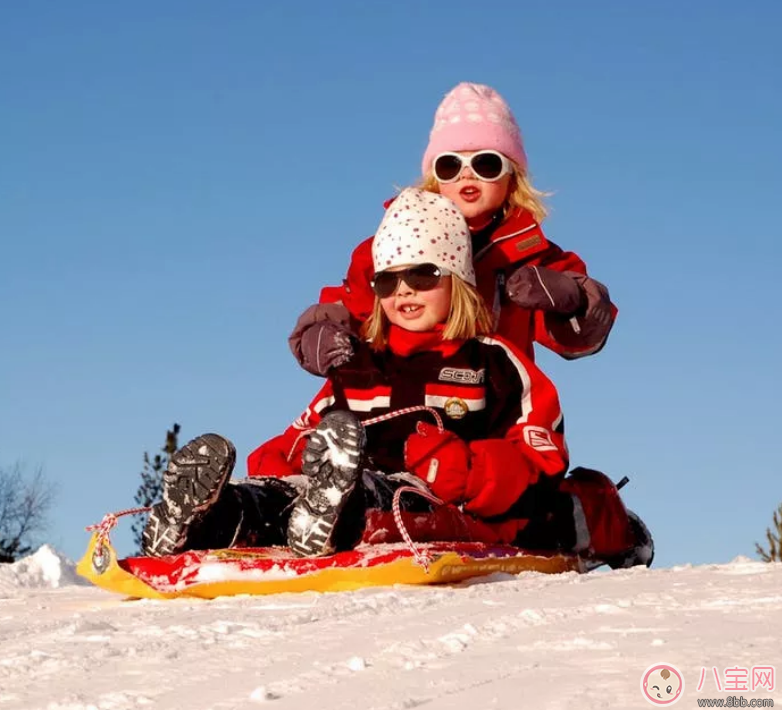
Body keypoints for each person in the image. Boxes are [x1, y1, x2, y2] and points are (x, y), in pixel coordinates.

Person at [141, 189, 651, 568]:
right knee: (278, 498)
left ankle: (331, 511)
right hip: (335, 486)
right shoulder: (360, 364)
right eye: (389, 279)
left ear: (459, 283)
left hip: (433, 500)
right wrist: (281, 464)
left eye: (424, 275)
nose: (404, 289)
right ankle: (210, 517)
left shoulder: (494, 362)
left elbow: (540, 462)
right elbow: (297, 435)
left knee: (383, 501)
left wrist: (466, 469)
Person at [290, 82, 617, 379]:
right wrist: (322, 331)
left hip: (496, 400)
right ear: (435, 177)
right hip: (406, 393)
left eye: (486, 164)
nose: (466, 175)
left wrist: (571, 299)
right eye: (450, 165)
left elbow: (579, 340)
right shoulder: (394, 245)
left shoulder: (533, 256)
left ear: (512, 176)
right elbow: (353, 304)